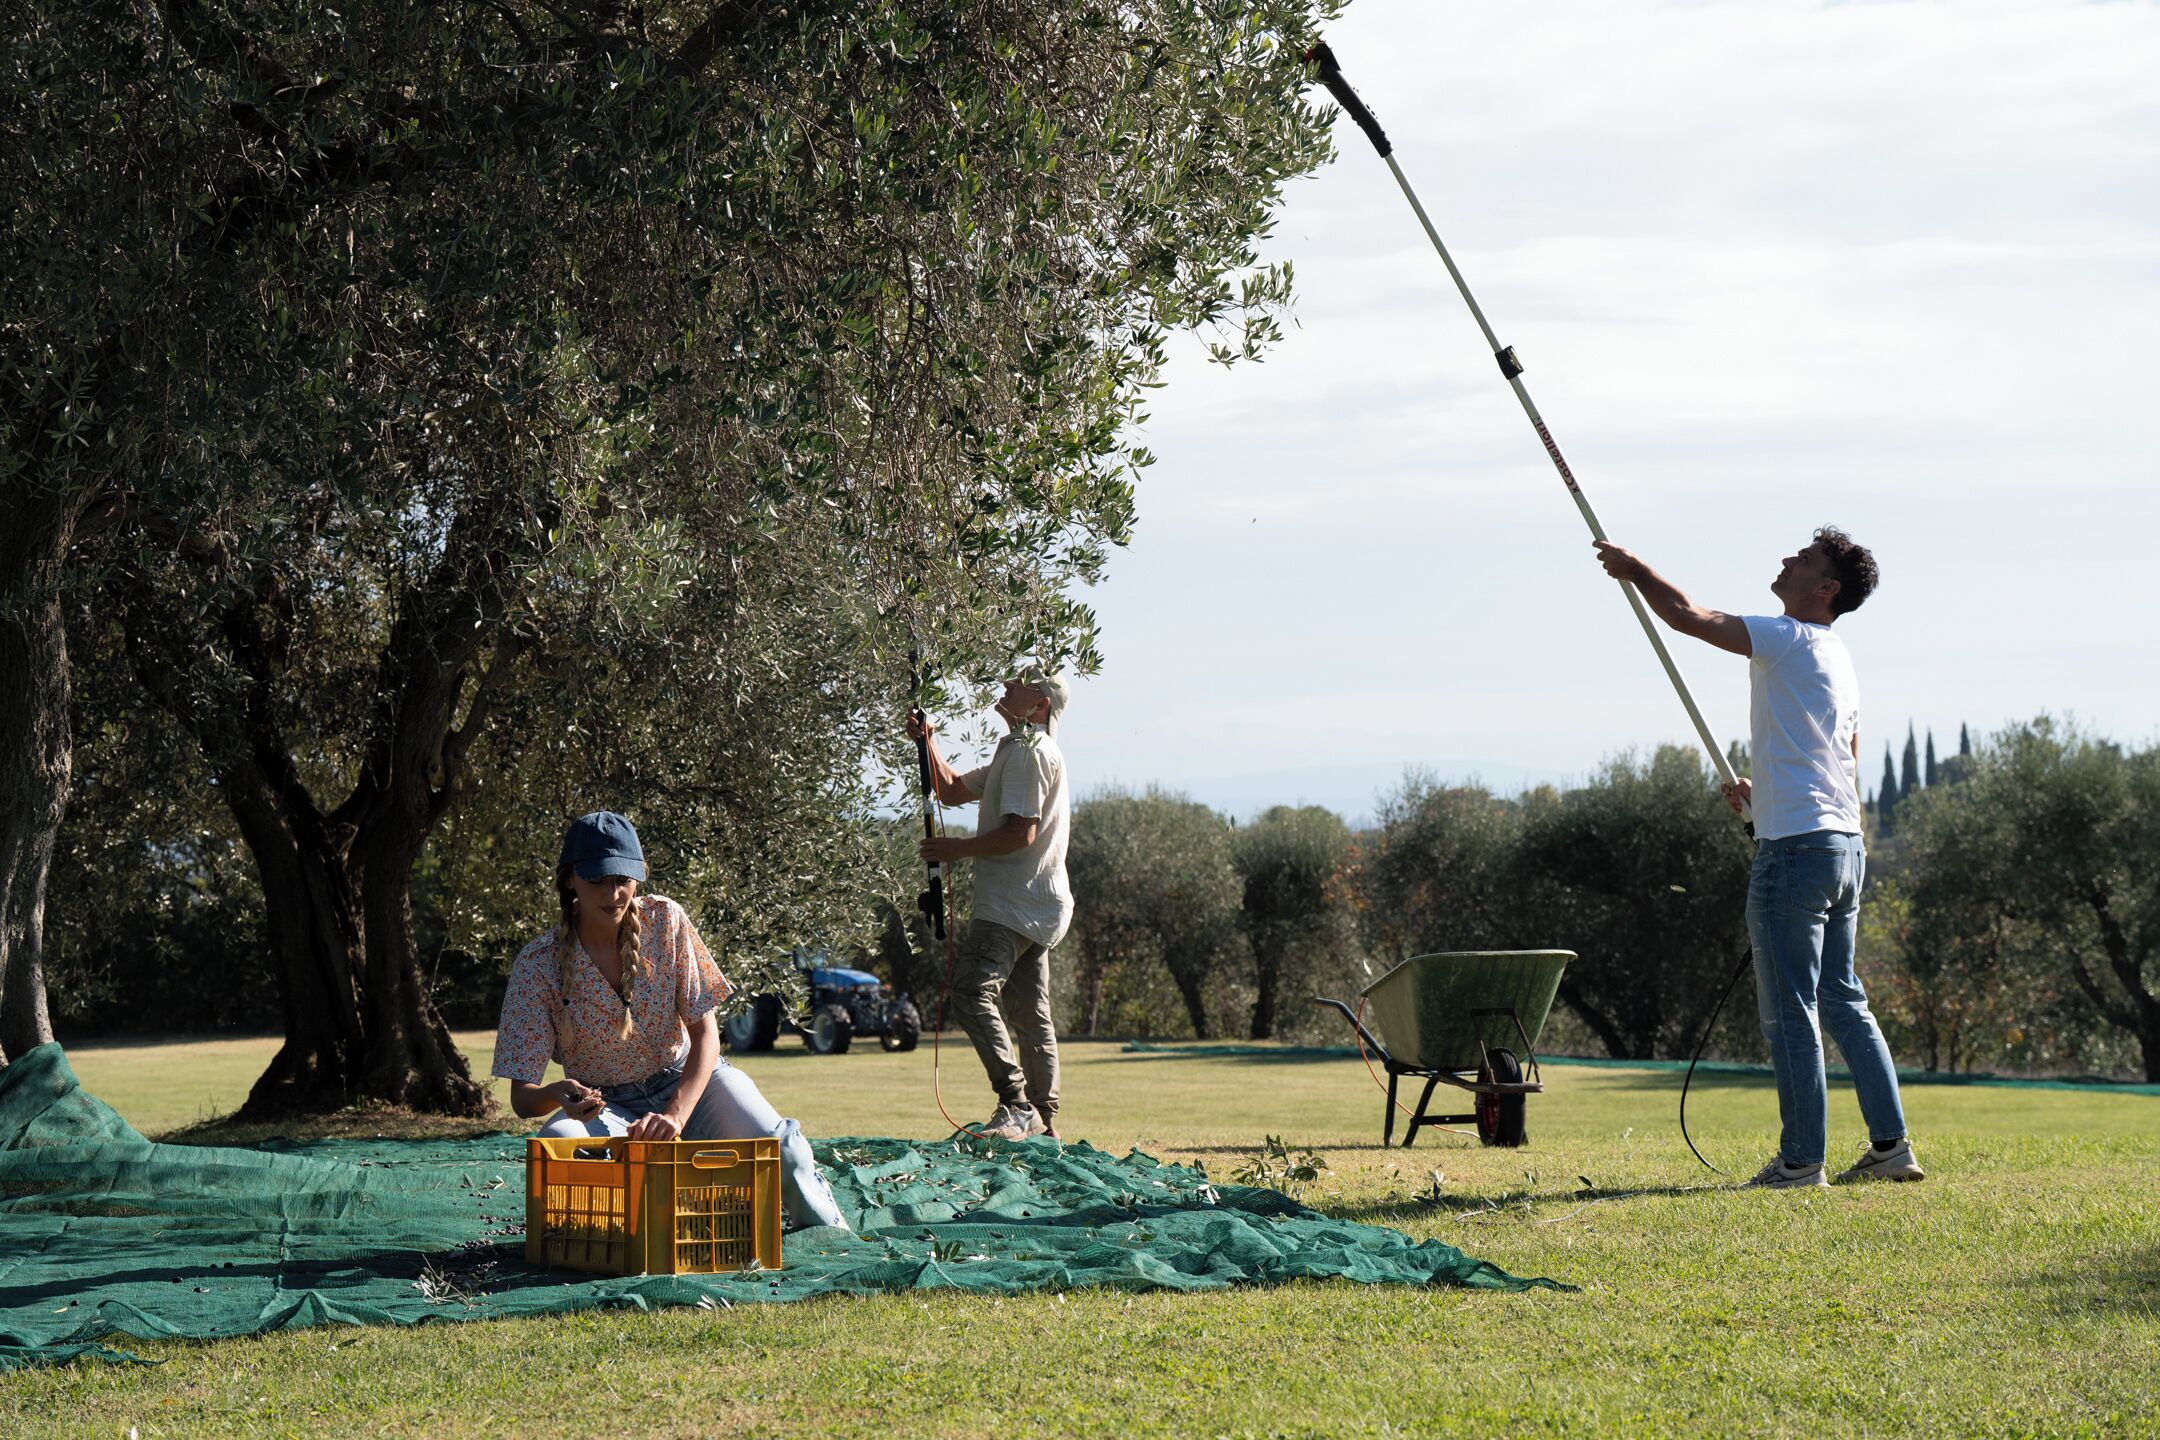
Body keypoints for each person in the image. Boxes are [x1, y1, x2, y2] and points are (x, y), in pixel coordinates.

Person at [1593, 529, 1924, 1189]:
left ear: (1826, 588)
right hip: (1844, 847)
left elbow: (1689, 616)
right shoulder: (1838, 657)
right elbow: (1843, 760)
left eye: (1804, 559)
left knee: (1793, 1009)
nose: (1787, 560)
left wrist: (1636, 569)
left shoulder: (1787, 636)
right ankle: (1891, 1148)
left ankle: (1801, 1162)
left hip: (1796, 851)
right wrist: (1762, 796)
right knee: (1843, 1000)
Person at [492, 810, 850, 1229]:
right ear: (569, 879)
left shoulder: (666, 920)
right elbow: (523, 1100)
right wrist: (559, 1092)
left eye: (622, 879)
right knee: (558, 1145)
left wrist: (677, 1115)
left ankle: (831, 1240)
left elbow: (707, 1036)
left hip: (692, 1083)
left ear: (639, 875)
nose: (613, 894)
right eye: (596, 880)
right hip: (607, 1109)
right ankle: (612, 1244)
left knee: (783, 1151)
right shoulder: (537, 965)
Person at [909, 672, 1074, 1141]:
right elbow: (951, 790)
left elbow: (1021, 831)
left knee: (970, 992)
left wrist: (956, 850)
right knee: (1030, 1013)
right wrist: (927, 741)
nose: (1008, 685)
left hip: (1010, 905)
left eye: (1021, 683)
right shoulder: (1019, 749)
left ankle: (1016, 1103)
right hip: (1039, 906)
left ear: (1040, 703)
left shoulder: (1028, 753)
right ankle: (1043, 1122)